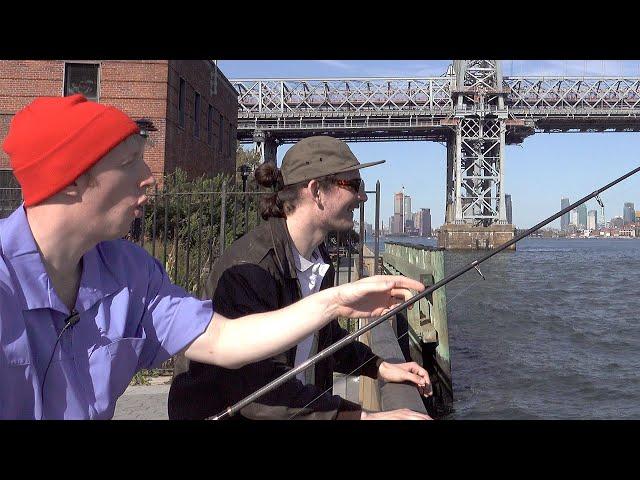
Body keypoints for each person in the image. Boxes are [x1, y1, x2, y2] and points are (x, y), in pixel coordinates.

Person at [0, 96, 425, 420]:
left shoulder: (131, 272)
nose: (148, 176)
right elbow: (254, 390)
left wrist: (335, 302)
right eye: (130, 162)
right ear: (72, 180)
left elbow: (224, 340)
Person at [168, 136, 432, 420]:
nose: (362, 197)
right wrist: (363, 416)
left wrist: (378, 365)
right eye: (354, 185)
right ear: (316, 190)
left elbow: (325, 338)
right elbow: (260, 393)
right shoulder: (252, 269)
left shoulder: (317, 259)